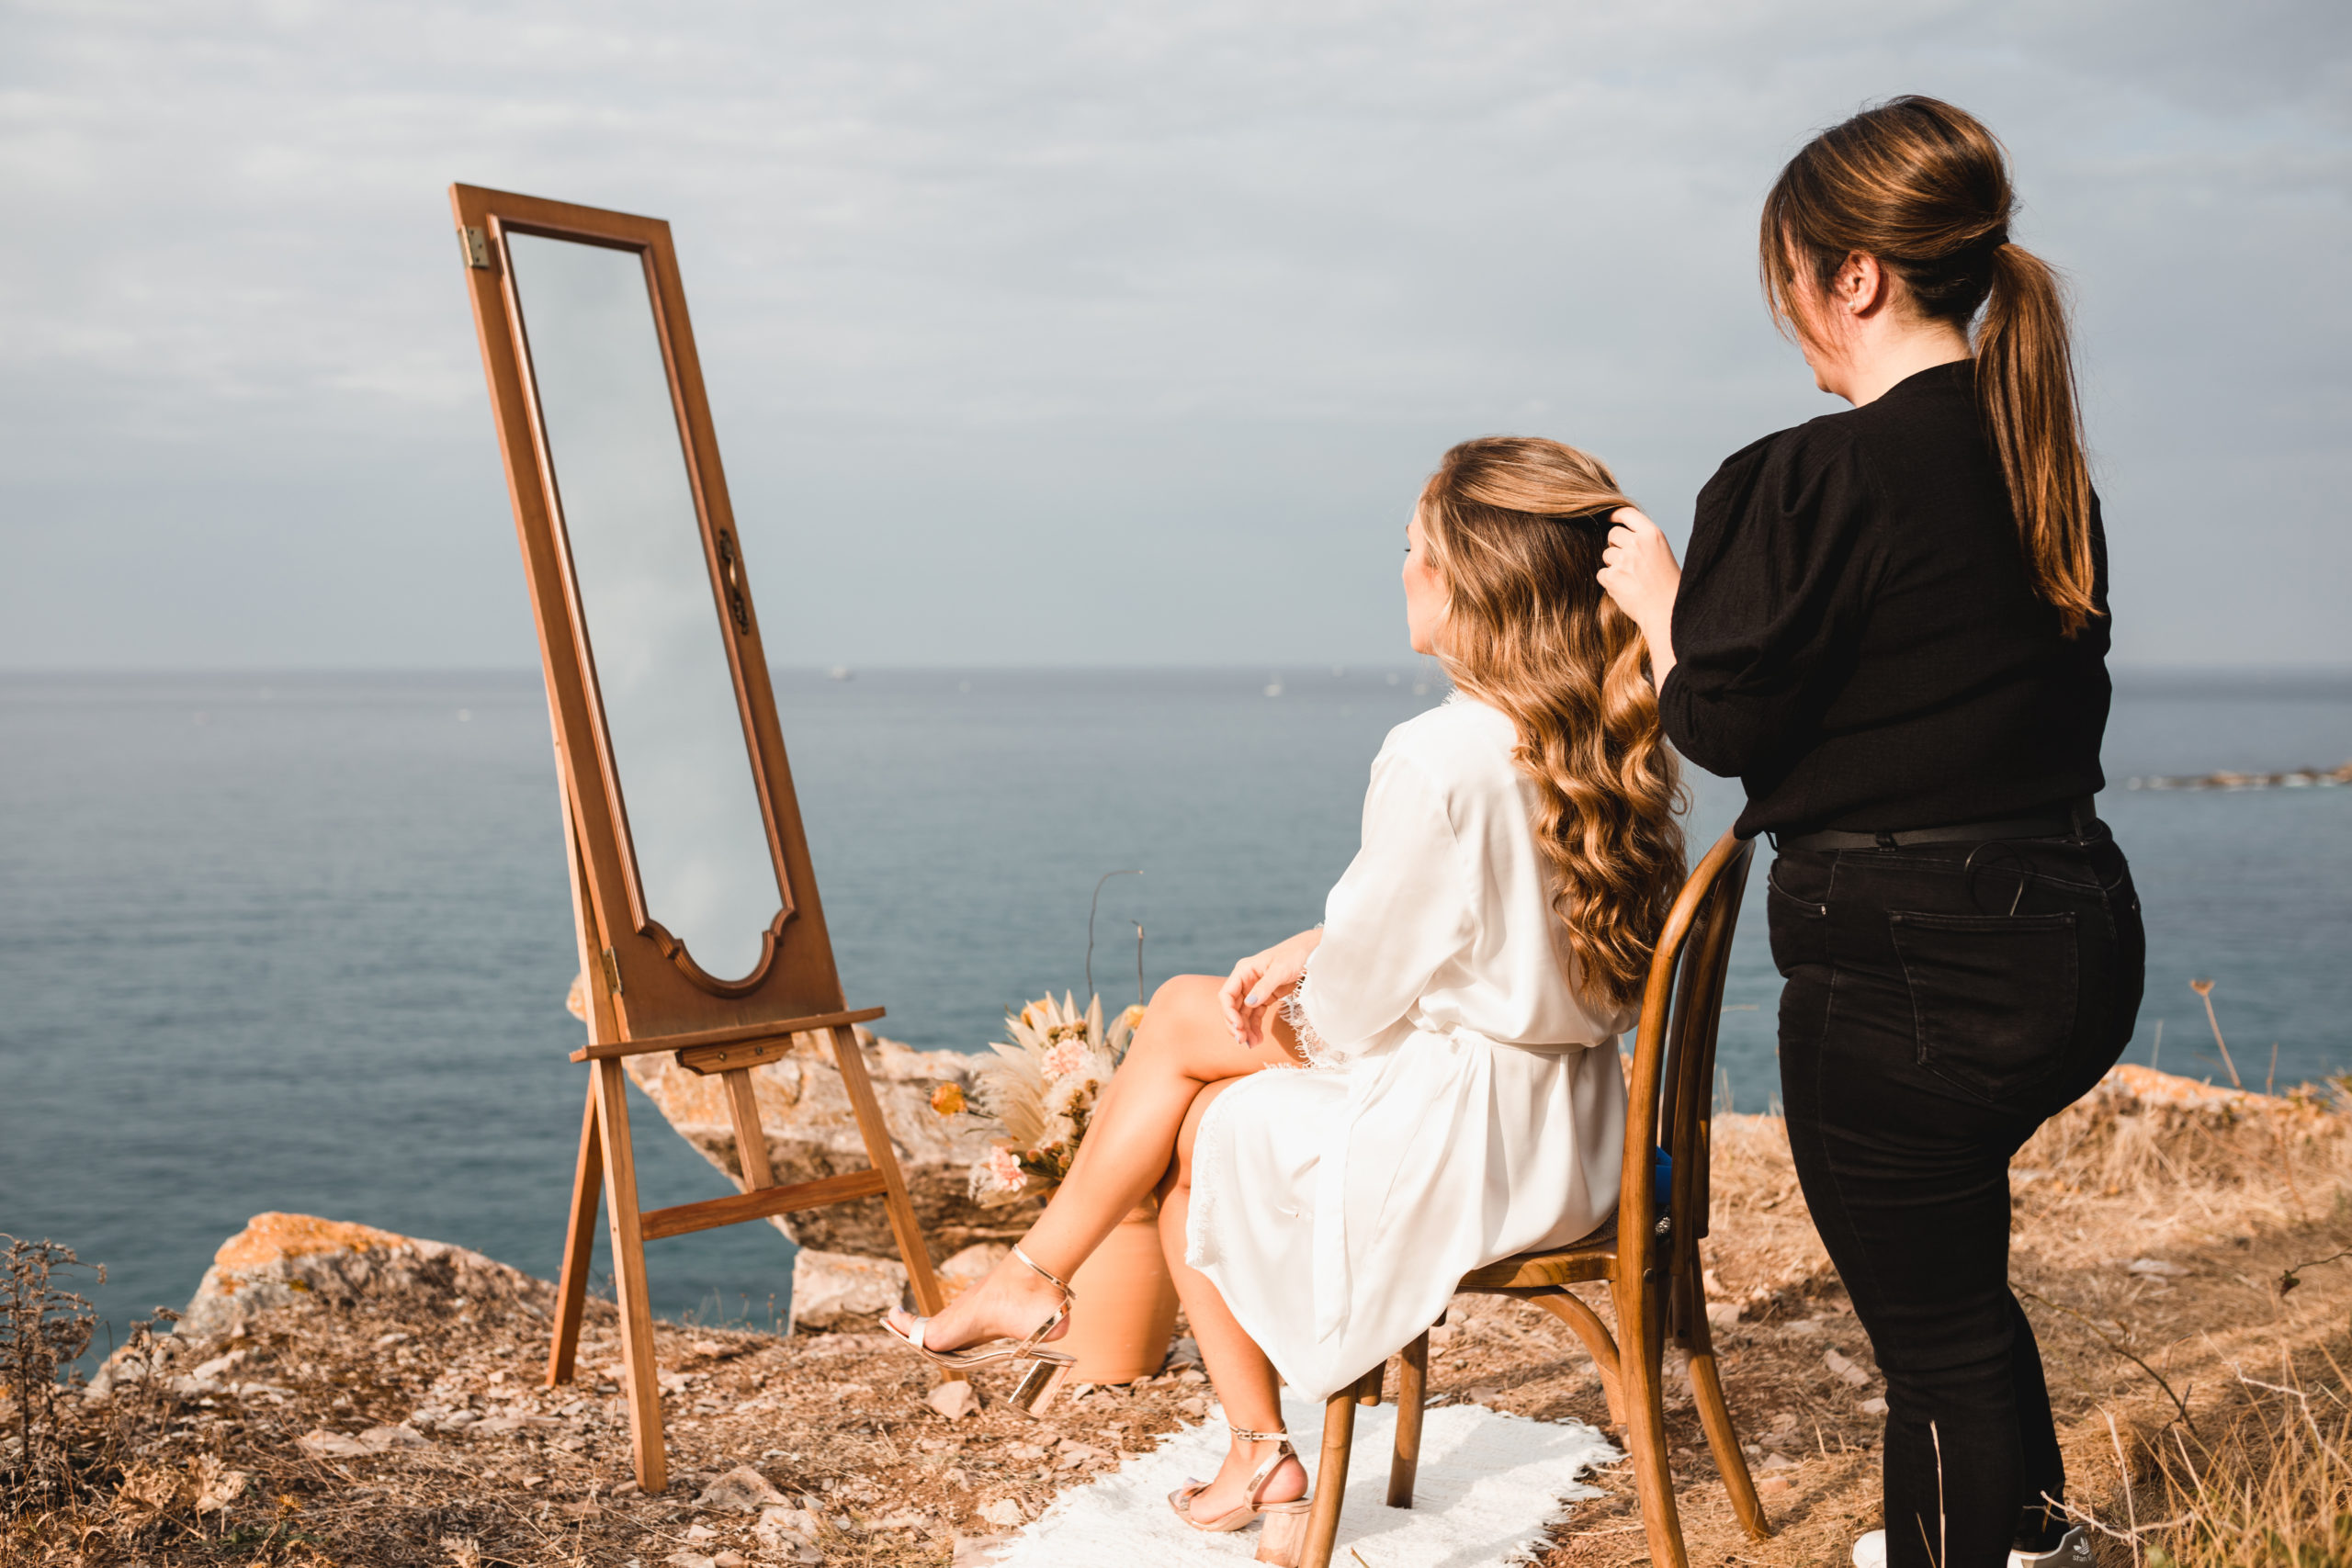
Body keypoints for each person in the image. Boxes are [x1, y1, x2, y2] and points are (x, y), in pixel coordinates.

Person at [885, 436, 1686, 1562]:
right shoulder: (1608, 733)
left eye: (1412, 550)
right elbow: (1494, 920)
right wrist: (1316, 944)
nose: (1401, 569)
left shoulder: (1435, 755)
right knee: (1195, 1083)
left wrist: (1290, 995)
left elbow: (1359, 1016)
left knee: (1184, 1060)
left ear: (1464, 580)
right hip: (1578, 1139)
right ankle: (1232, 1441)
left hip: (1474, 1154)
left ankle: (1068, 1307)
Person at [1596, 96, 2138, 1568]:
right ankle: (2021, 1539)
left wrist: (1662, 609)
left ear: (1855, 276)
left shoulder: (1805, 477)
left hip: (1909, 961)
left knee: (1936, 1330)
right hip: (2076, 926)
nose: (1794, 324)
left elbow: (1718, 726)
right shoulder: (2041, 462)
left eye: (1791, 284)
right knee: (1956, 1279)